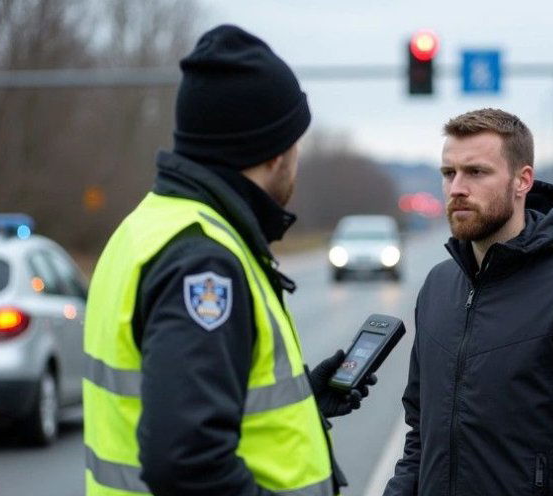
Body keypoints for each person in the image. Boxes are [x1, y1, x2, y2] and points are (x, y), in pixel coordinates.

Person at [83, 25, 373, 496]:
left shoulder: (146, 227)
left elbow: (181, 403)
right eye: (295, 142)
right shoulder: (203, 263)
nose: (297, 157)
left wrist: (305, 402)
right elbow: (187, 461)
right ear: (274, 153)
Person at [384, 108, 553, 495]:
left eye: (476, 172)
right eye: (449, 173)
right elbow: (420, 436)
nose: (457, 188)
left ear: (522, 180)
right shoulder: (439, 285)